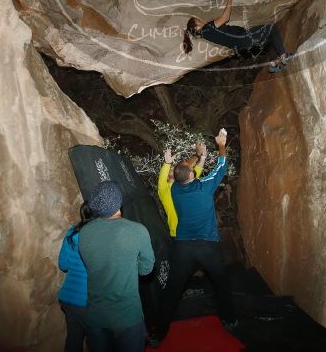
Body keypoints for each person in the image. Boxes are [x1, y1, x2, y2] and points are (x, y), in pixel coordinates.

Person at [151, 129, 237, 346]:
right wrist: (220, 144)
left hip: (182, 249)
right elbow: (222, 166)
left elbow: (185, 173)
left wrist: (175, 162)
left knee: (172, 291)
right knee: (222, 284)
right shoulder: (205, 187)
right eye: (191, 170)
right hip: (207, 247)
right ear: (192, 175)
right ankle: (229, 320)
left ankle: (158, 333)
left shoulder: (173, 191)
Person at [79, 181, 155, 352]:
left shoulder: (84, 232)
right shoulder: (137, 230)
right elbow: (146, 269)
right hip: (127, 317)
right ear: (118, 202)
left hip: (95, 317)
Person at [182, 0, 294, 73]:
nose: (202, 20)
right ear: (197, 27)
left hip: (242, 44)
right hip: (243, 37)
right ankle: (284, 55)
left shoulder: (205, 35)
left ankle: (274, 64)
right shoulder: (207, 29)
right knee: (272, 28)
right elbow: (225, 18)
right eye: (199, 21)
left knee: (268, 40)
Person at [58, 202, 93, 352]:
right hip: (89, 302)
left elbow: (63, 265)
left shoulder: (72, 232)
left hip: (68, 299)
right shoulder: (99, 236)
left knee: (73, 339)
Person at [157, 141, 206, 237]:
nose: (173, 169)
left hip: (194, 232)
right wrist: (167, 163)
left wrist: (201, 156)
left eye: (173, 168)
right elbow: (162, 178)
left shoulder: (184, 184)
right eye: (171, 169)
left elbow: (194, 170)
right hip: (177, 234)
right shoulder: (163, 190)